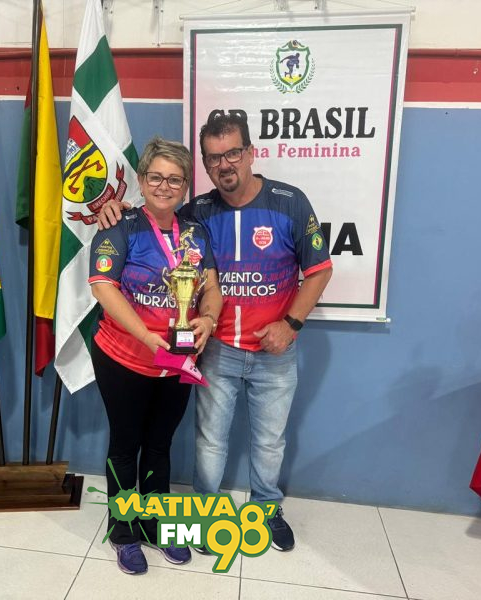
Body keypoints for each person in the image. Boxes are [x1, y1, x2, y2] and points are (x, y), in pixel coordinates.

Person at [97, 113, 333, 553]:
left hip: (264, 350)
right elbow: (148, 222)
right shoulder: (196, 212)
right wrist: (117, 207)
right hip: (206, 352)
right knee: (199, 443)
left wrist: (290, 324)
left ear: (250, 153)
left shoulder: (287, 203)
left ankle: (264, 509)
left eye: (233, 153)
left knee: (265, 441)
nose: (225, 164)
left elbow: (318, 270)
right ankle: (172, 521)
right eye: (213, 157)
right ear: (204, 165)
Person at [88, 137, 222, 575]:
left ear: (185, 186)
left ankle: (155, 524)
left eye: (175, 180)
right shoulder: (119, 225)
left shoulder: (196, 232)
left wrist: (208, 319)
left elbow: (212, 287)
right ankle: (123, 531)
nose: (165, 186)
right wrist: (145, 336)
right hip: (124, 357)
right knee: (126, 445)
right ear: (142, 180)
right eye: (156, 177)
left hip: (178, 361)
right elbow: (103, 287)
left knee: (161, 445)